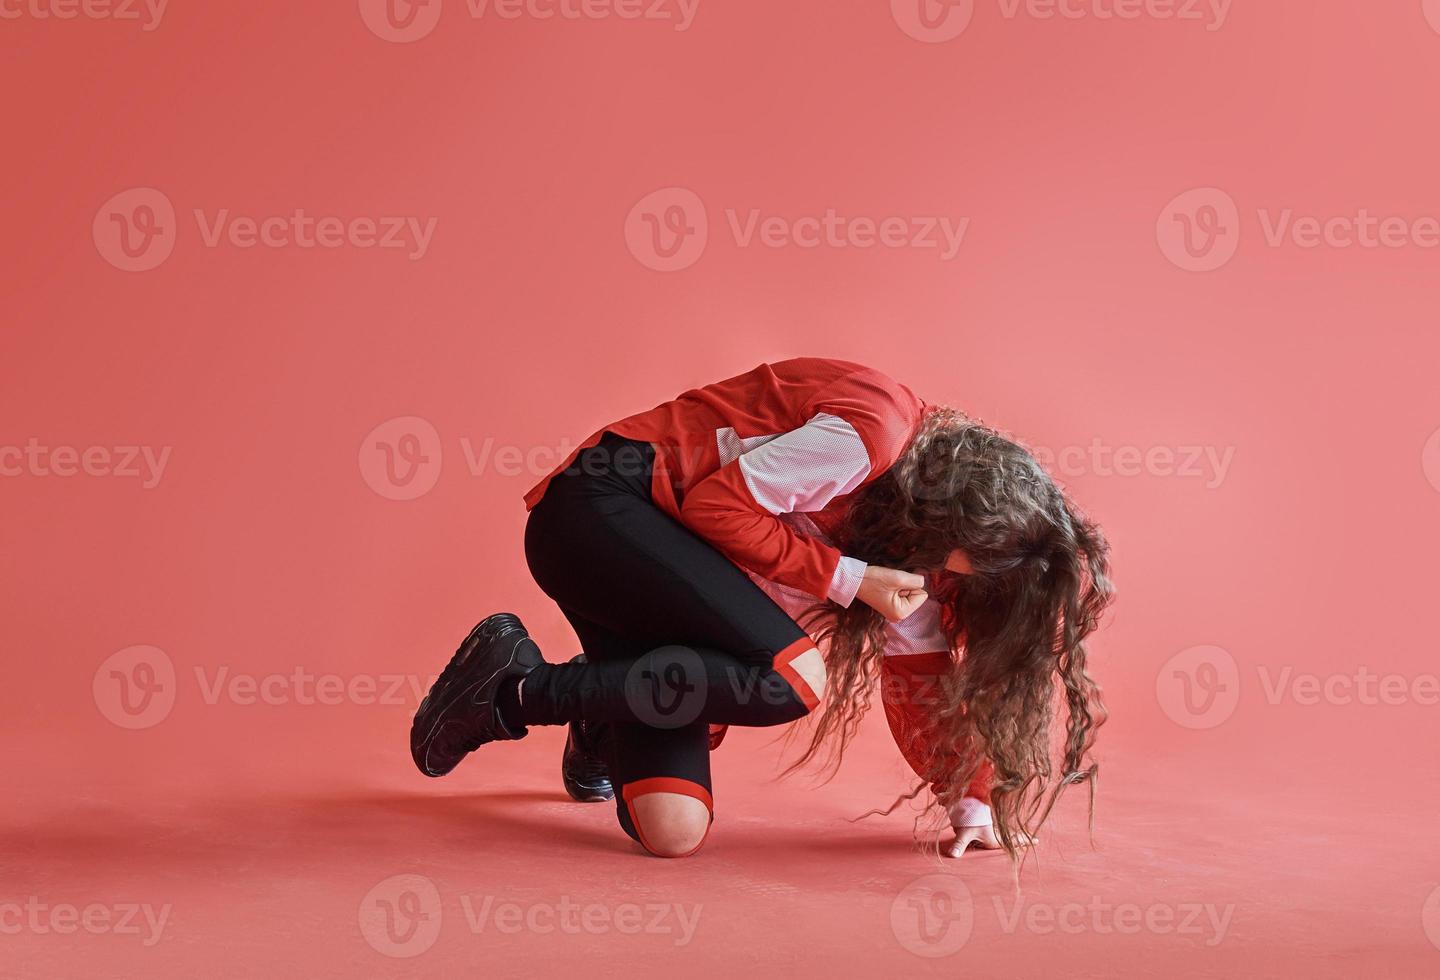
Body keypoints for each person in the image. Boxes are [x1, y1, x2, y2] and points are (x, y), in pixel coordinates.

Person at [411, 357, 1113, 859]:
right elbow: (714, 505)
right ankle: (511, 690)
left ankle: (606, 710)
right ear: (956, 516)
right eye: (965, 568)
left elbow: (922, 683)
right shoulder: (872, 431)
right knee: (795, 677)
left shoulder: (914, 545)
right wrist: (847, 579)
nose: (949, 587)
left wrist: (973, 802)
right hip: (596, 516)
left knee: (672, 833)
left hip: (658, 586)